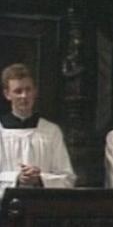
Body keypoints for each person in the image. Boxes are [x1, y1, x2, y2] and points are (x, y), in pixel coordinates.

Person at [0, 63, 75, 195]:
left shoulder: (51, 131)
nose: (24, 96)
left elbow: (67, 179)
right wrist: (16, 178)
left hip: (41, 208)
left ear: (35, 91)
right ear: (7, 94)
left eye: (28, 90)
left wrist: (39, 179)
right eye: (18, 91)